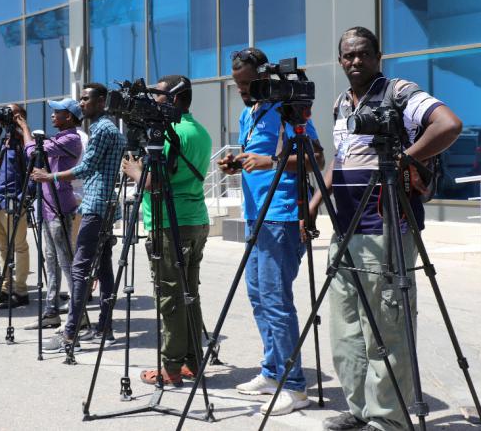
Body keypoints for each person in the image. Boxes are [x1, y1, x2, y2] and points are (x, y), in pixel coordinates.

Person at [310, 27, 462, 431]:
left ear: (378, 56)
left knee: (385, 329)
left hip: (386, 227)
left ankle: (388, 420)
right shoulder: (343, 104)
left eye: (362, 54)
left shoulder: (398, 91)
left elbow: (448, 124)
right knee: (346, 331)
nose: (354, 61)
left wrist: (403, 159)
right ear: (340, 60)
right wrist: (312, 207)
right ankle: (359, 409)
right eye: (347, 55)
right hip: (344, 230)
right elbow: (339, 161)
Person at [218, 47, 324, 415]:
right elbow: (255, 159)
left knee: (276, 301)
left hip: (281, 216)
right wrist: (238, 164)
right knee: (259, 297)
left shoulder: (285, 109)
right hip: (256, 215)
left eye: (248, 84)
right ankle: (272, 371)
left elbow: (317, 158)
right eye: (238, 85)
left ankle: (294, 387)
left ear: (264, 78)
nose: (243, 91)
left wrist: (271, 161)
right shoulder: (251, 112)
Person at [121, 75, 212, 387]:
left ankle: (171, 368)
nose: (152, 100)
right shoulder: (198, 130)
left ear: (174, 98)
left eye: (157, 95)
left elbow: (156, 182)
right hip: (195, 219)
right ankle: (192, 360)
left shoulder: (174, 133)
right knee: (190, 293)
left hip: (171, 223)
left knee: (170, 296)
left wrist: (134, 171)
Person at [34, 83, 126, 353]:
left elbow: (86, 167)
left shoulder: (102, 129)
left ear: (101, 102)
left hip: (97, 205)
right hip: (104, 205)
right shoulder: (106, 128)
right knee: (104, 267)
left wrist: (48, 176)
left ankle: (70, 333)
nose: (81, 103)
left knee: (79, 268)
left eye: (86, 99)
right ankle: (104, 326)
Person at [18, 99, 83, 330]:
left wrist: (24, 128)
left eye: (58, 112)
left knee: (66, 261)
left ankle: (79, 316)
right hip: (46, 205)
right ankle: (51, 312)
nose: (53, 115)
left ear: (70, 116)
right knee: (51, 260)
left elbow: (32, 151)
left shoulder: (71, 138)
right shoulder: (58, 138)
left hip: (59, 206)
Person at [0, 104, 32, 309]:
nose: (3, 115)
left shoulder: (23, 140)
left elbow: (32, 167)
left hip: (14, 199)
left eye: (9, 112)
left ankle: (20, 291)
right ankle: (5, 289)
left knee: (19, 247)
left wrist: (26, 196)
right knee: (3, 248)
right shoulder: (3, 137)